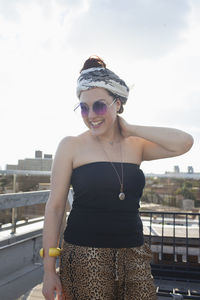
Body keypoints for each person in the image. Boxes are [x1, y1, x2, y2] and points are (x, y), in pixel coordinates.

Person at [41, 55, 194, 300]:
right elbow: (55, 208)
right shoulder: (71, 146)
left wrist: (130, 128)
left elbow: (184, 142)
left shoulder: (135, 145)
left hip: (134, 254)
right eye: (84, 107)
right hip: (84, 256)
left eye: (99, 106)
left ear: (118, 103)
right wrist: (49, 270)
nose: (91, 115)